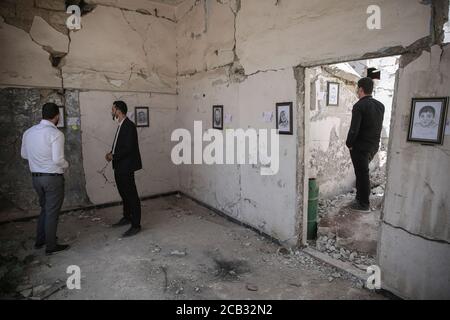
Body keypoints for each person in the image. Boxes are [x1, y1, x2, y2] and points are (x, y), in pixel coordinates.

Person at [21, 103, 70, 255]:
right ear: (57, 116)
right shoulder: (55, 134)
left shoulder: (28, 132)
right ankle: (51, 246)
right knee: (52, 212)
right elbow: (57, 160)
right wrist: (66, 164)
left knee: (45, 209)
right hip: (52, 178)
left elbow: (24, 155)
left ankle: (40, 240)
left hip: (36, 178)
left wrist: (38, 161)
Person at [346, 77, 385, 213]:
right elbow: (377, 127)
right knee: (362, 173)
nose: (357, 91)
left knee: (362, 174)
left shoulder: (359, 106)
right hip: (373, 146)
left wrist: (349, 144)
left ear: (361, 89)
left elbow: (354, 129)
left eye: (358, 89)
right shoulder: (380, 105)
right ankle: (359, 198)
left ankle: (363, 203)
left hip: (360, 147)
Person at [105, 101, 143, 237]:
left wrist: (113, 155)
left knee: (131, 195)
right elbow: (118, 145)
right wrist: (111, 153)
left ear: (119, 110)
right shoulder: (121, 125)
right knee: (124, 194)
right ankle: (127, 217)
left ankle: (136, 225)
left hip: (126, 167)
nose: (111, 111)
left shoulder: (129, 126)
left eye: (113, 109)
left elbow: (128, 148)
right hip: (119, 166)